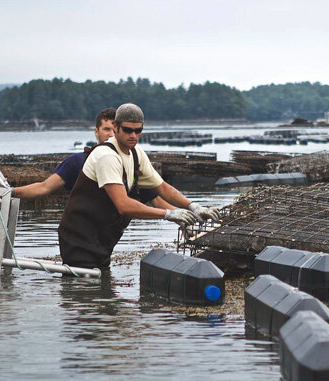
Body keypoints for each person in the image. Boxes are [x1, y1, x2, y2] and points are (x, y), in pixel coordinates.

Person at [58, 103, 219, 269]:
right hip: (79, 236)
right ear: (116, 127)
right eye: (128, 130)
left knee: (102, 286)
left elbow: (162, 187)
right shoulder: (106, 156)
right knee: (83, 286)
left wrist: (193, 206)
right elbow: (123, 205)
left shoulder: (136, 153)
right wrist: (168, 214)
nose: (133, 135)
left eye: (138, 131)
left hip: (103, 238)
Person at [12, 108, 171, 209]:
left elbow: (156, 199)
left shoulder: (131, 164)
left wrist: (184, 218)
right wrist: (10, 193)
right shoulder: (76, 162)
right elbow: (43, 188)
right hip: (81, 232)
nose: (111, 134)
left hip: (108, 237)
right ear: (96, 132)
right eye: (106, 129)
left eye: (113, 130)